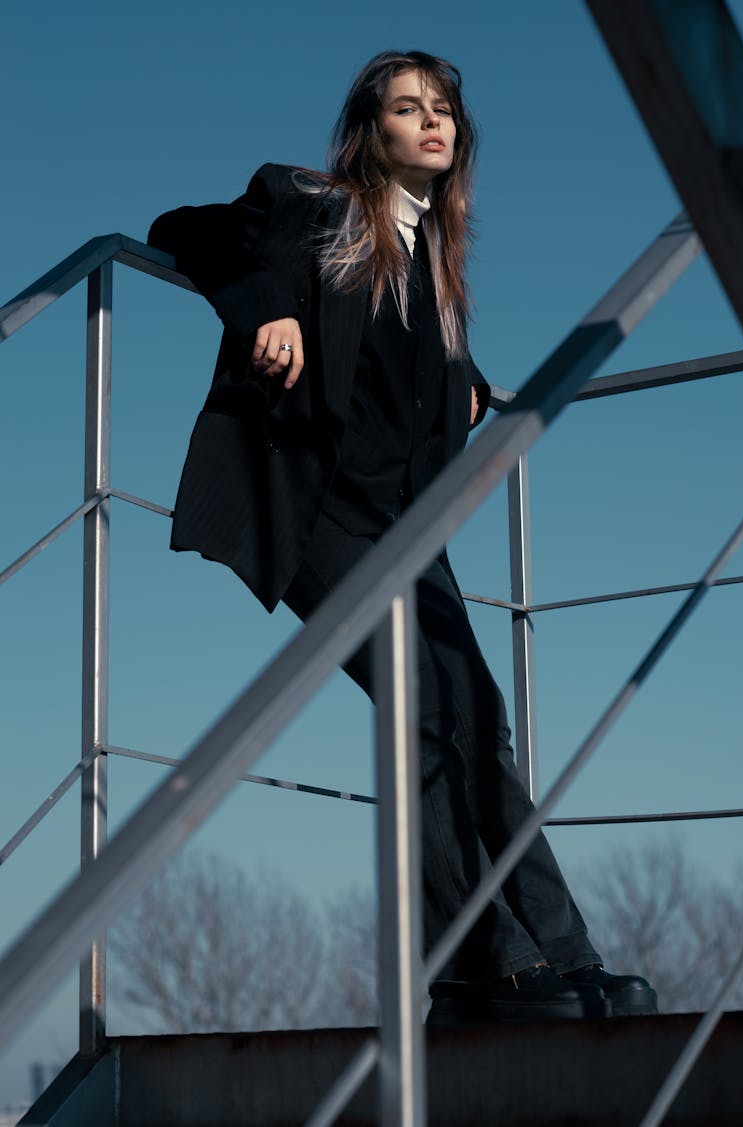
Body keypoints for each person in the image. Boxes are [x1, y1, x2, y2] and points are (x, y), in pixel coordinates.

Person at [148, 50, 657, 1023]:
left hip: (408, 528)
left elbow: (400, 357)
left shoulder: (439, 263)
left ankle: (565, 950)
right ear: (371, 132)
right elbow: (186, 230)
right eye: (406, 108)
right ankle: (483, 968)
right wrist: (267, 311)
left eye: (444, 111)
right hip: (319, 517)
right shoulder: (311, 203)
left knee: (478, 711)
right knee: (425, 702)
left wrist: (465, 375)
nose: (432, 122)